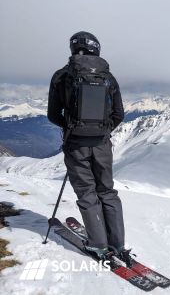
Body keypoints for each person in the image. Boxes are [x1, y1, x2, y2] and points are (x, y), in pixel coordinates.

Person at [47, 31, 132, 264]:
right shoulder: (108, 77)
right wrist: (103, 130)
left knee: (87, 193)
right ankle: (118, 243)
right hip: (103, 145)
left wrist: (72, 128)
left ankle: (99, 245)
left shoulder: (62, 76)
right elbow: (119, 114)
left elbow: (53, 115)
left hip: (76, 146)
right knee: (107, 191)